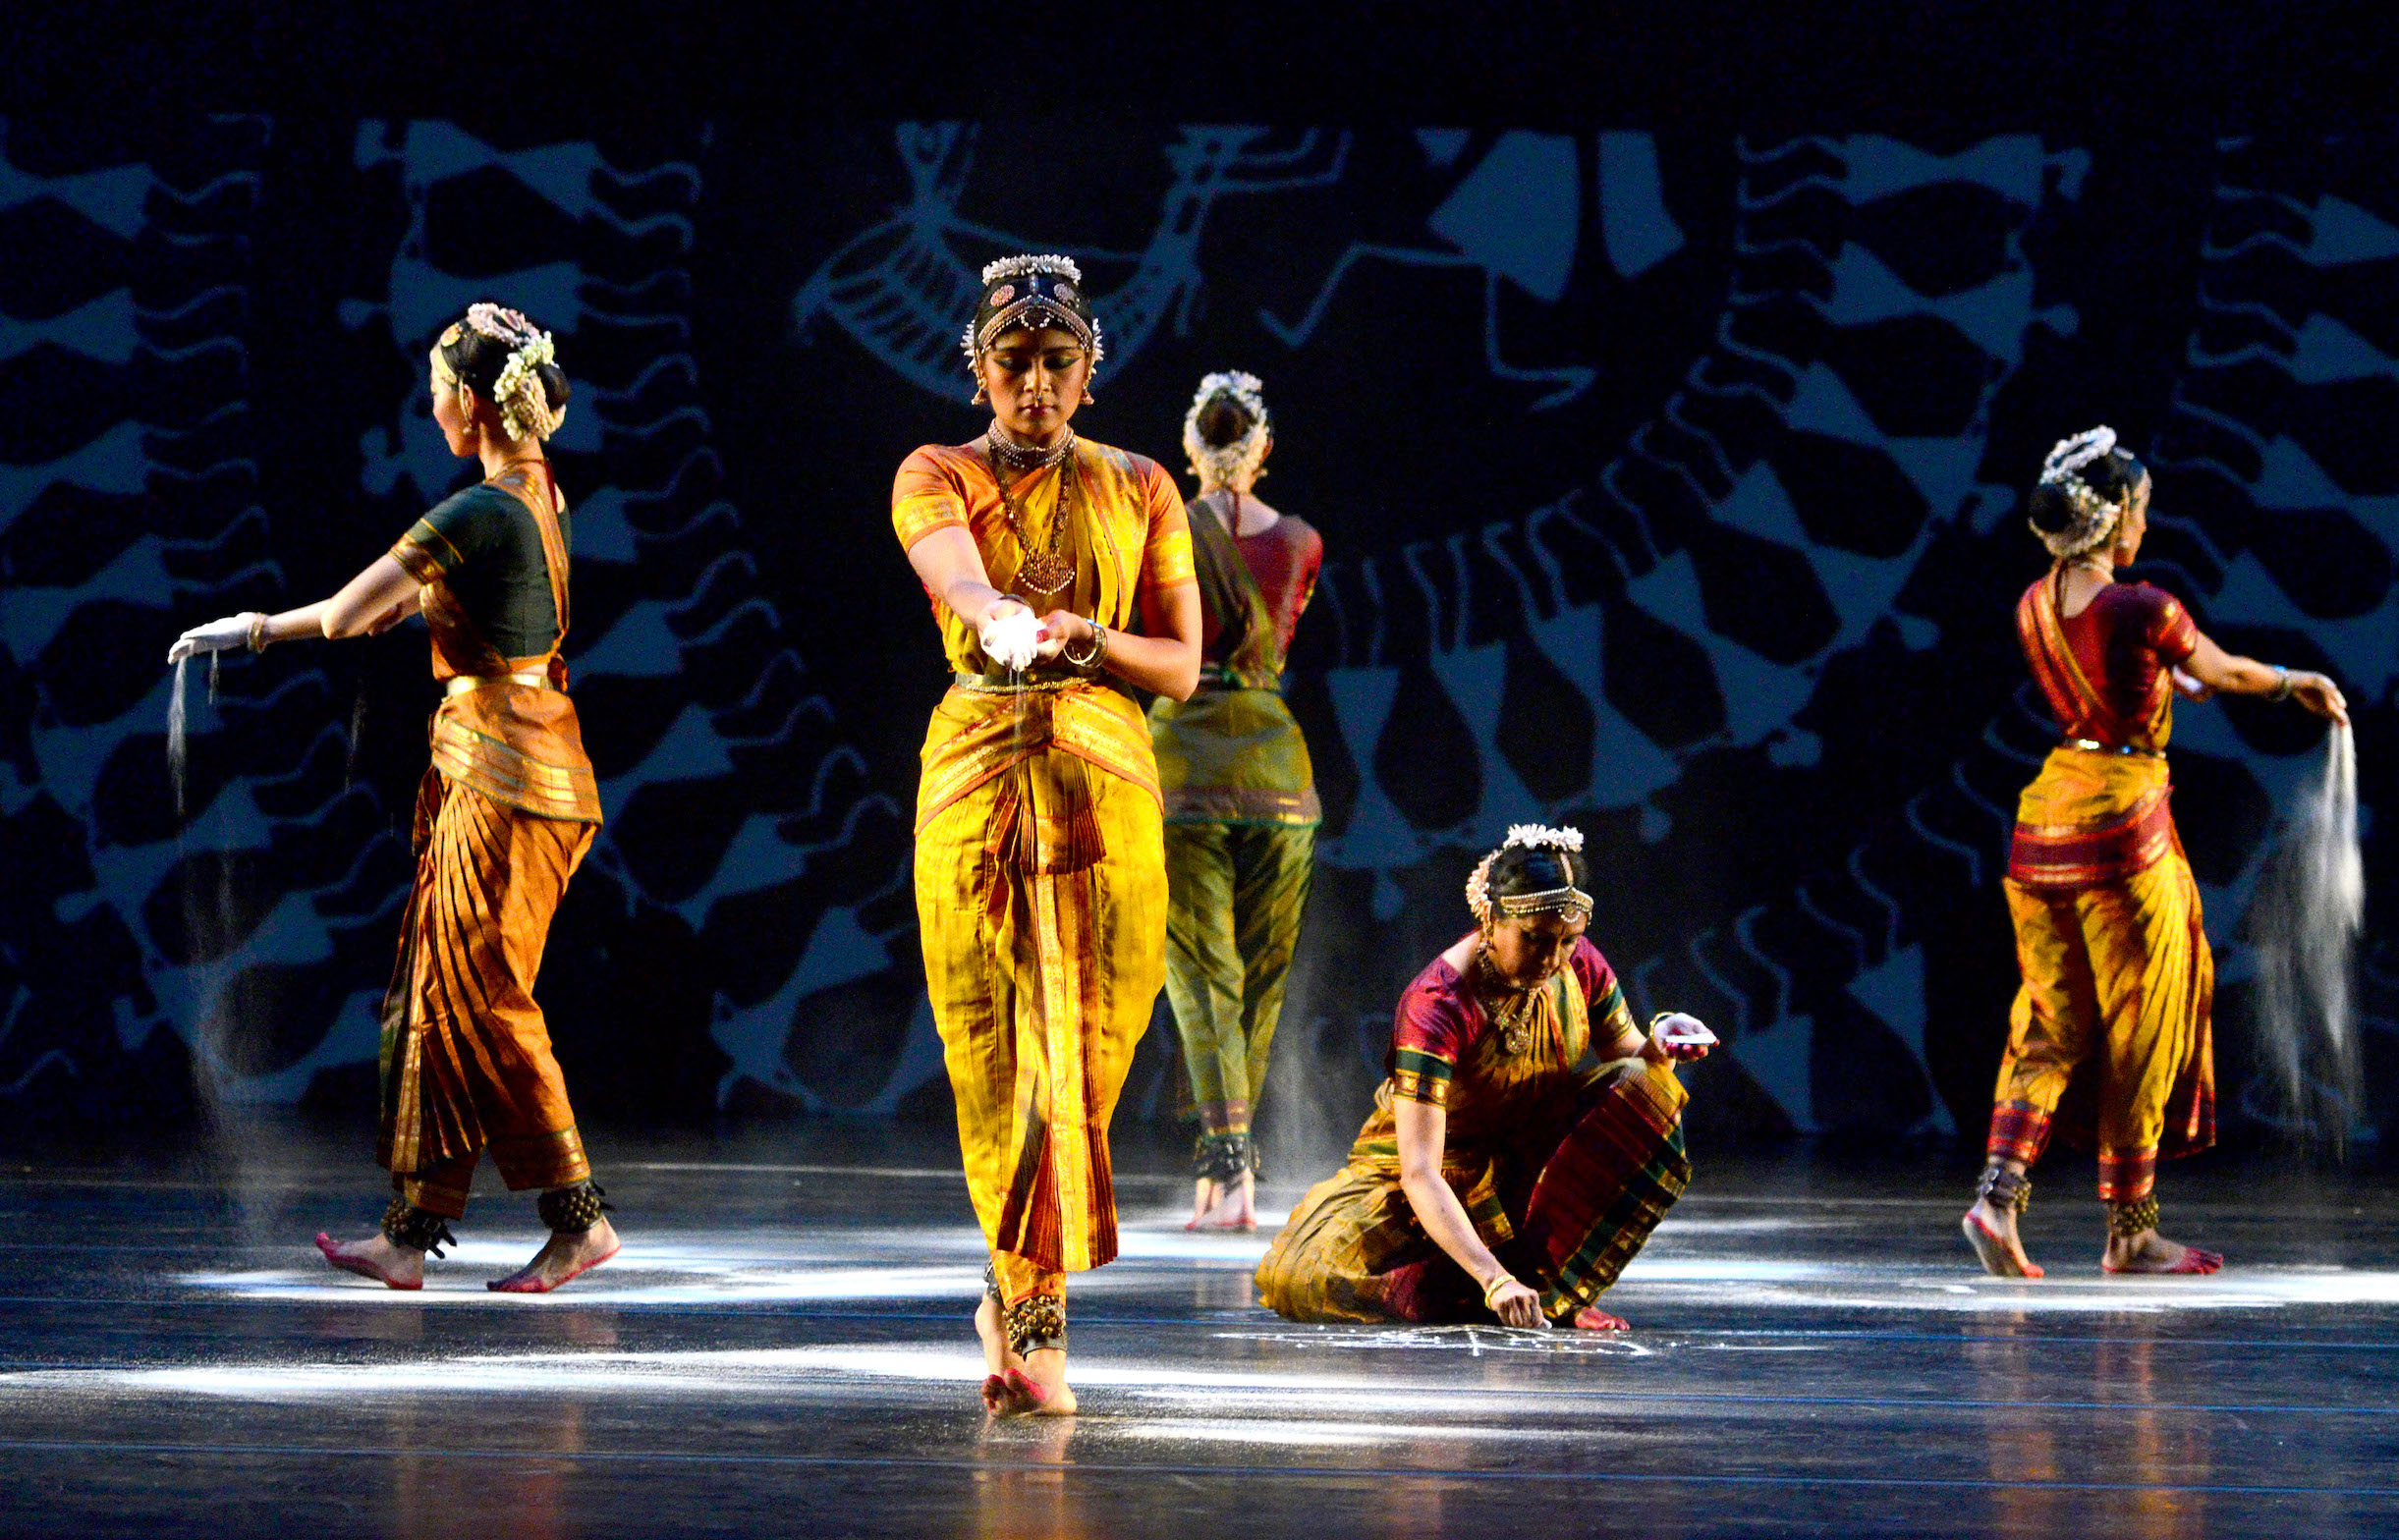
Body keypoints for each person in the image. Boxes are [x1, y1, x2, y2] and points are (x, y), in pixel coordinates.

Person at [168, 303, 616, 1294]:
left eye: (436, 390)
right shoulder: (535, 496)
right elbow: (426, 604)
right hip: (507, 761)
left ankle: (578, 1217)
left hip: (510, 773)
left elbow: (345, 613)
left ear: (469, 402)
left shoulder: (478, 510)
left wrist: (248, 630)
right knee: (434, 990)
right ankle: (410, 1234)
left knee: (486, 996)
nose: (429, 406)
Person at [892, 254, 1200, 1414]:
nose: (1033, 384)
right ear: (976, 368)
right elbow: (955, 576)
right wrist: (1006, 623)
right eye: (1011, 362)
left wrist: (1087, 640)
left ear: (1090, 369)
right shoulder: (937, 468)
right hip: (975, 772)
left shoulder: (1145, 486)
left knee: (1086, 1054)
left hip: (1108, 781)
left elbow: (1179, 661)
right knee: (995, 1054)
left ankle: (1011, 1276)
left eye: (1055, 363)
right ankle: (1037, 1313)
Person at [1963, 426, 2348, 1278]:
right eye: (2139, 509)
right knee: (2146, 1018)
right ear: (2111, 523)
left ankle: (1997, 1197)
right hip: (2120, 833)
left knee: (2053, 1021)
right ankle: (2130, 1229)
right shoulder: (2145, 605)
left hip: (2045, 821)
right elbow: (2229, 671)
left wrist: (2164, 681)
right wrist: (2295, 683)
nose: (2144, 525)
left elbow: (2109, 680)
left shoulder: (2036, 601)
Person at [1255, 825, 1709, 1330]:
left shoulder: (1578, 965)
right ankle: (1504, 1288)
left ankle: (1557, 1294)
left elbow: (1631, 1065)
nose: (1552, 960)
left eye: (1567, 941)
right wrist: (1495, 1280)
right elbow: (1419, 1172)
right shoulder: (1438, 1004)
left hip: (1526, 1157)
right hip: (1433, 1176)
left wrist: (1664, 1042)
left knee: (1641, 1084)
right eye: (1535, 940)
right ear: (1491, 918)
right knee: (1302, 1275)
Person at [1148, 371, 1324, 1231]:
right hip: (1278, 776)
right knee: (1257, 976)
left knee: (1201, 973)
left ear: (1191, 447)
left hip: (1183, 766)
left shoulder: (1165, 531)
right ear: (1262, 448)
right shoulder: (1301, 541)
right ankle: (1234, 1172)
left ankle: (1224, 1173)